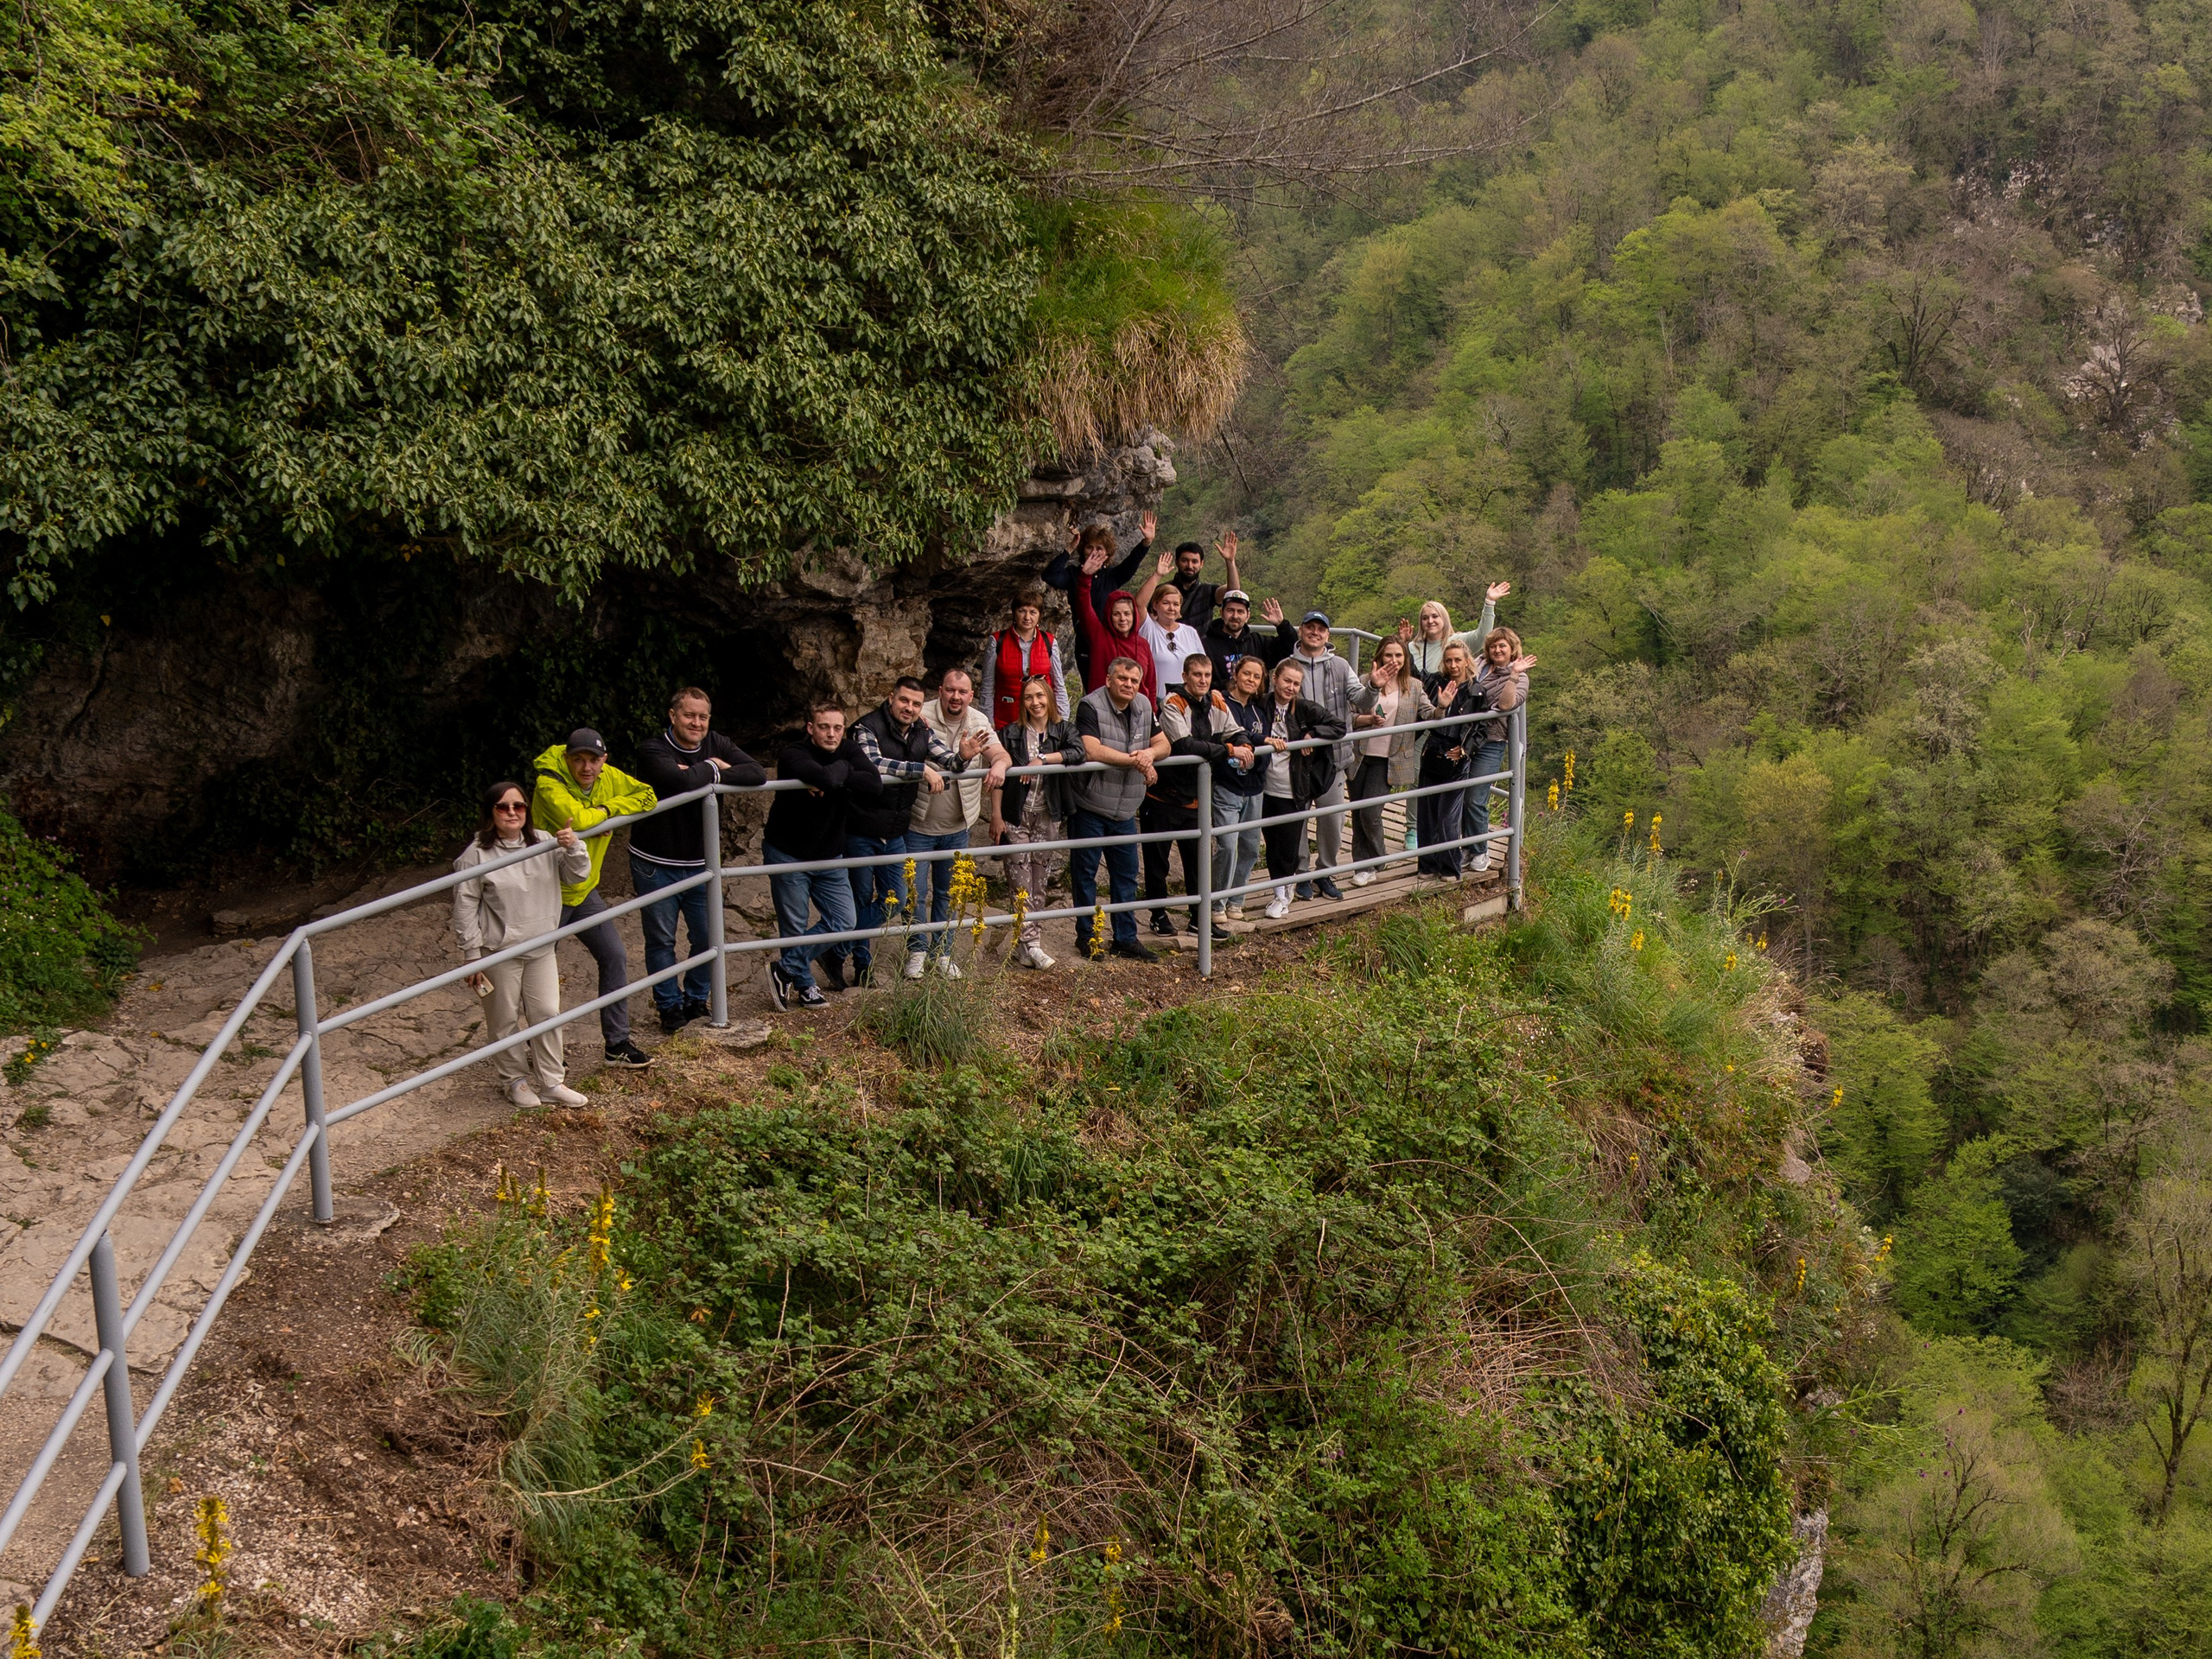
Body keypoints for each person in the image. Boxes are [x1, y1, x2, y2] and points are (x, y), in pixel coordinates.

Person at [627, 688, 766, 1032]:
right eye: (689, 715)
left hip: (702, 866)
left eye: (703, 716)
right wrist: (711, 768)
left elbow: (756, 774)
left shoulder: (716, 741)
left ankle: (695, 1000)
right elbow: (676, 781)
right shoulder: (652, 749)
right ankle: (669, 1007)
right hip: (655, 862)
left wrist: (707, 772)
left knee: (708, 937)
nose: (697, 723)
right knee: (661, 940)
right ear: (673, 715)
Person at [453, 783, 593, 1109]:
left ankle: (551, 1082)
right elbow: (464, 906)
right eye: (503, 807)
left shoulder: (544, 842)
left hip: (541, 945)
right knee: (504, 1019)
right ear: (490, 813)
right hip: (499, 950)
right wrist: (472, 954)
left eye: (519, 806)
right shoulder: (475, 856)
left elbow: (576, 877)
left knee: (546, 1013)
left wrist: (574, 847)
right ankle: (514, 1080)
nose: (512, 813)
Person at [530, 728, 657, 1069]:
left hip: (584, 891)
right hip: (546, 895)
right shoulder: (548, 783)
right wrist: (601, 815)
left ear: (604, 759)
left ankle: (617, 1044)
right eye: (579, 760)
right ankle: (540, 1051)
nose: (587, 767)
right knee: (537, 975)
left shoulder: (607, 777)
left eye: (594, 760)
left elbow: (647, 796)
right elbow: (580, 819)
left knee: (614, 956)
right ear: (568, 759)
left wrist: (606, 808)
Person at [833, 676, 966, 988]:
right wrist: (922, 770)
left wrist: (964, 755)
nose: (909, 708)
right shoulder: (866, 727)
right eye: (904, 700)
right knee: (862, 898)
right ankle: (861, 967)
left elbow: (948, 759)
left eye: (916, 704)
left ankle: (833, 947)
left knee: (898, 899)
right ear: (891, 698)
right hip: (861, 828)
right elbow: (873, 763)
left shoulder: (921, 728)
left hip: (894, 831)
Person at [763, 702, 884, 1010]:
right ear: (810, 728)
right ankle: (805, 985)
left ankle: (785, 970)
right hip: (788, 852)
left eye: (838, 728)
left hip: (830, 853)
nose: (832, 734)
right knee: (795, 922)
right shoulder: (793, 753)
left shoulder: (848, 749)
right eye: (824, 727)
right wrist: (840, 775)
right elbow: (829, 778)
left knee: (845, 920)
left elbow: (874, 785)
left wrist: (835, 776)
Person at [906, 668, 1010, 978]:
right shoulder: (920, 716)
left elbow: (999, 753)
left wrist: (1000, 766)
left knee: (949, 893)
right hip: (918, 822)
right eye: (950, 690)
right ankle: (917, 951)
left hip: (957, 826)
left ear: (971, 695)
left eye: (962, 692)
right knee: (914, 892)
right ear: (940, 690)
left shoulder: (978, 721)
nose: (956, 697)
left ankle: (943, 952)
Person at [1070, 654, 1168, 961]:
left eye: (1134, 681)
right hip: (1091, 805)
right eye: (1123, 679)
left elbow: (1165, 744)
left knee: (1126, 875)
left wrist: (1149, 755)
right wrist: (1137, 762)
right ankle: (1087, 936)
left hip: (1125, 809)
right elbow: (1091, 748)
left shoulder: (1143, 705)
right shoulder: (1090, 705)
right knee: (1085, 874)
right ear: (1108, 679)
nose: (1129, 685)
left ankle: (1125, 938)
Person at [989, 673, 1084, 969]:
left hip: (1047, 813)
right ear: (1022, 702)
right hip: (1016, 815)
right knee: (1020, 882)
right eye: (1029, 697)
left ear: (1049, 698)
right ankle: (1030, 944)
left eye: (1040, 696)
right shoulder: (1011, 733)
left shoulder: (1063, 729)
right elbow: (998, 779)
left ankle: (1030, 943)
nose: (1035, 702)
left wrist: (1042, 759)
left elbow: (1079, 752)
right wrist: (995, 816)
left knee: (1039, 880)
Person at [1147, 652, 1236, 935]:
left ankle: (1200, 918)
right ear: (1185, 676)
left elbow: (1235, 732)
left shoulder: (1217, 700)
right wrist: (1229, 751)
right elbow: (1185, 745)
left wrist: (1242, 744)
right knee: (1157, 862)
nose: (1202, 680)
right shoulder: (1173, 702)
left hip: (1197, 797)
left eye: (1207, 675)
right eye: (1197, 675)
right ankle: (1158, 915)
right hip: (1163, 795)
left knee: (1198, 863)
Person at [1255, 658, 1348, 920]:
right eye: (1287, 681)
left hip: (1292, 788)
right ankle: (1280, 888)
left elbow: (1338, 726)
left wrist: (1312, 734)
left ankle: (1284, 894)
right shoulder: (1261, 704)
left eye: (1296, 683)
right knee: (1272, 843)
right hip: (1265, 787)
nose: (1291, 687)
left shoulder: (1305, 709)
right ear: (1275, 678)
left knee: (1288, 844)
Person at [1347, 639, 1436, 887]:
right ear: (1380, 656)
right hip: (1360, 755)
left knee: (1370, 813)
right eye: (1389, 655)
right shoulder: (1365, 681)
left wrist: (1444, 707)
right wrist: (1365, 720)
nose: (1394, 661)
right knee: (1357, 813)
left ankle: (1377, 858)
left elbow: (1429, 714)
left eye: (1399, 655)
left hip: (1389, 759)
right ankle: (1361, 865)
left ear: (1406, 659)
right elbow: (1347, 716)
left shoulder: (1414, 687)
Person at [1287, 610, 1357, 901]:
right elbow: (1278, 709)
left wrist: (1375, 686)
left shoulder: (1340, 666)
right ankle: (1302, 874)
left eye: (1321, 629)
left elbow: (1360, 698)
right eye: (1310, 627)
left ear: (1328, 635)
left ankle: (1325, 872)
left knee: (1332, 820)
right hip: (1297, 759)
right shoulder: (1287, 666)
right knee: (1299, 818)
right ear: (1301, 631)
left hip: (1334, 758)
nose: (1315, 632)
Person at [1045, 514, 1154, 683]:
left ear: (1107, 552)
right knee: (1094, 689)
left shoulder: (1111, 577)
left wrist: (1146, 542)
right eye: (1090, 547)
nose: (1094, 552)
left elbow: (1131, 564)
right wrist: (1070, 549)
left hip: (1112, 645)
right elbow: (1049, 575)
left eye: (1100, 548)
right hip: (1086, 645)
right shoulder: (1074, 575)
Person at [1465, 626, 1536, 874]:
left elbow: (1506, 705)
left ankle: (1480, 852)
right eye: (1494, 645)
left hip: (1491, 741)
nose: (1497, 650)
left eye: (1502, 646)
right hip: (1464, 738)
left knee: (1476, 797)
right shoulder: (1478, 664)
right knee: (1460, 793)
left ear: (1512, 649)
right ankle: (1467, 846)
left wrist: (1514, 675)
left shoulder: (1521, 676)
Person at [1209, 654, 1270, 923]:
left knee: (1250, 847)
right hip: (1227, 786)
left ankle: (1237, 899)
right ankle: (1215, 902)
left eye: (1257, 677)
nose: (1251, 680)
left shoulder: (1259, 709)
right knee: (1227, 847)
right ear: (1236, 674)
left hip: (1254, 787)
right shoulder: (1220, 703)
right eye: (1247, 674)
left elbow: (1265, 743)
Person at [1416, 641, 1483, 880]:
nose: (1453, 665)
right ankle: (1427, 864)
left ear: (1467, 660)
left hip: (1456, 756)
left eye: (1457, 660)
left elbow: (1480, 727)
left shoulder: (1476, 690)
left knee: (1448, 817)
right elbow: (1414, 674)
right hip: (1433, 749)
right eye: (1448, 660)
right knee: (1427, 812)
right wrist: (1404, 643)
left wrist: (1466, 749)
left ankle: (1449, 867)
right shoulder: (1436, 682)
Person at [1071, 556, 1159, 705]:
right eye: (1116, 614)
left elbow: (1150, 684)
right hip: (1104, 708)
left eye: (1127, 614)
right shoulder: (1099, 636)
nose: (1122, 619)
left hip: (1138, 711)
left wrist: (1152, 714)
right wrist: (1085, 577)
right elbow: (1084, 607)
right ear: (1109, 616)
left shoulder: (1143, 644)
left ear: (1134, 616)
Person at [980, 585, 1068, 728]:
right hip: (1006, 720)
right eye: (1022, 611)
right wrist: (988, 722)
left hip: (1042, 720)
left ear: (1039, 615)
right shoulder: (997, 641)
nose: (1027, 617)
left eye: (1033, 612)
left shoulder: (1049, 642)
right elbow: (987, 686)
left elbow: (1059, 683)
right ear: (1014, 613)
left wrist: (1062, 721)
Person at [1398, 583, 1510, 679]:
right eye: (1425, 618)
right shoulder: (1412, 647)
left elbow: (1482, 636)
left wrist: (1489, 603)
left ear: (1444, 619)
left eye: (1435, 616)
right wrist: (1402, 642)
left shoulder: (1457, 642)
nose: (1430, 621)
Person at [1135, 547, 1208, 693]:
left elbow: (1203, 666)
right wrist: (1157, 575)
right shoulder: (1149, 628)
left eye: (1176, 604)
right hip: (1157, 700)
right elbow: (1139, 604)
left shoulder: (1190, 632)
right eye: (1166, 603)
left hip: (1187, 701)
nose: (1171, 608)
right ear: (1155, 605)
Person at [1202, 575, 1294, 687]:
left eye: (1240, 612)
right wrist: (1234, 686)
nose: (1235, 616)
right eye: (1230, 610)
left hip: (1255, 704)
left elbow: (1291, 647)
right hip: (1219, 702)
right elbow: (1203, 683)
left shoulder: (1259, 643)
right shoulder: (1206, 645)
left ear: (1248, 615)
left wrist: (1282, 625)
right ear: (1221, 613)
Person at [1166, 533, 1241, 632]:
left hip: (1200, 646)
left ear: (1201, 564)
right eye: (1184, 561)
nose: (1190, 566)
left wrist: (1230, 561)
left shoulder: (1208, 591)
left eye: (1195, 562)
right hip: (1170, 644)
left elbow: (1233, 591)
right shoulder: (1164, 590)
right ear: (1176, 562)